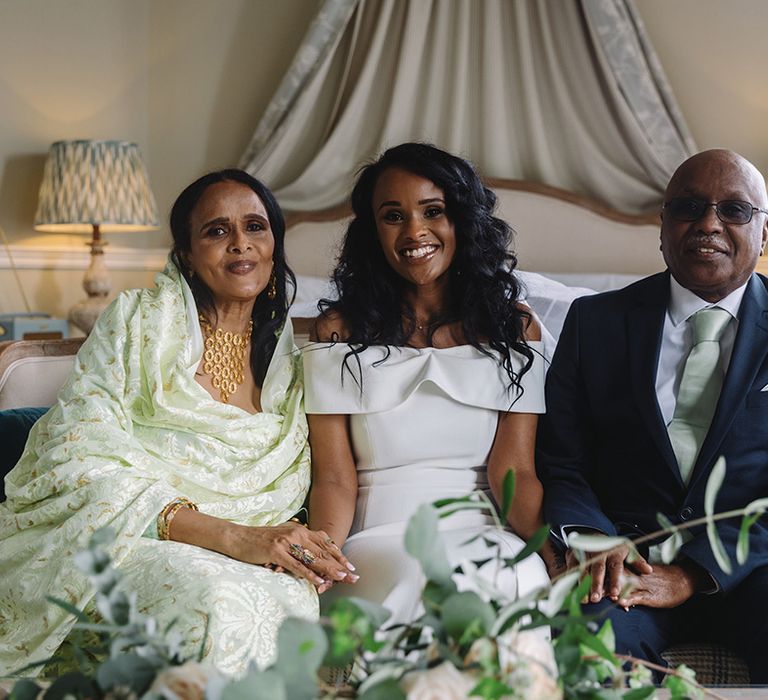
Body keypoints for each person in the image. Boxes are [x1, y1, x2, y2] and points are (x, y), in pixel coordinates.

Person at [0, 169, 355, 677]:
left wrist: (313, 551)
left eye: (256, 227)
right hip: (126, 540)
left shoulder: (300, 369)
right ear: (186, 253)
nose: (240, 245)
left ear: (274, 245)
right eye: (216, 231)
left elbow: (336, 475)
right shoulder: (135, 323)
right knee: (216, 604)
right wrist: (232, 536)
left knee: (263, 606)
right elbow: (78, 448)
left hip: (262, 564)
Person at [537, 149, 768, 681]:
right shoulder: (593, 322)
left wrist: (693, 575)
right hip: (624, 568)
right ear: (662, 225)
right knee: (591, 659)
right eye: (689, 206)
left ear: (763, 232)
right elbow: (561, 461)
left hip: (753, 568)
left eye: (734, 210)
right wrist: (595, 541)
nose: (709, 223)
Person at [303, 143, 557, 626]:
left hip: (484, 532)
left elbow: (516, 474)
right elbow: (334, 478)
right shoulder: (339, 331)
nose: (414, 231)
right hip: (379, 537)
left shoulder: (515, 329)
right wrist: (322, 556)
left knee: (505, 580)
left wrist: (552, 551)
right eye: (392, 216)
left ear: (462, 221)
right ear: (373, 232)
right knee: (429, 578)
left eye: (433, 211)